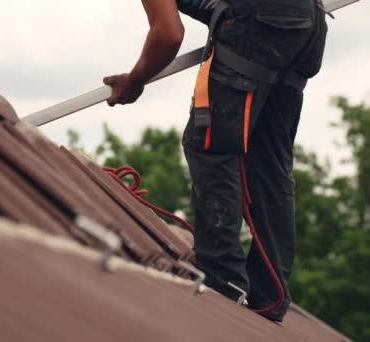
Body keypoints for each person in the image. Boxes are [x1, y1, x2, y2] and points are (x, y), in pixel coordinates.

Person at [104, 0, 327, 322]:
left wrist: (135, 80)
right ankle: (270, 295)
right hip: (308, 21)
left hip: (263, 22)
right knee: (268, 165)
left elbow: (168, 34)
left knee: (211, 145)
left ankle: (224, 282)